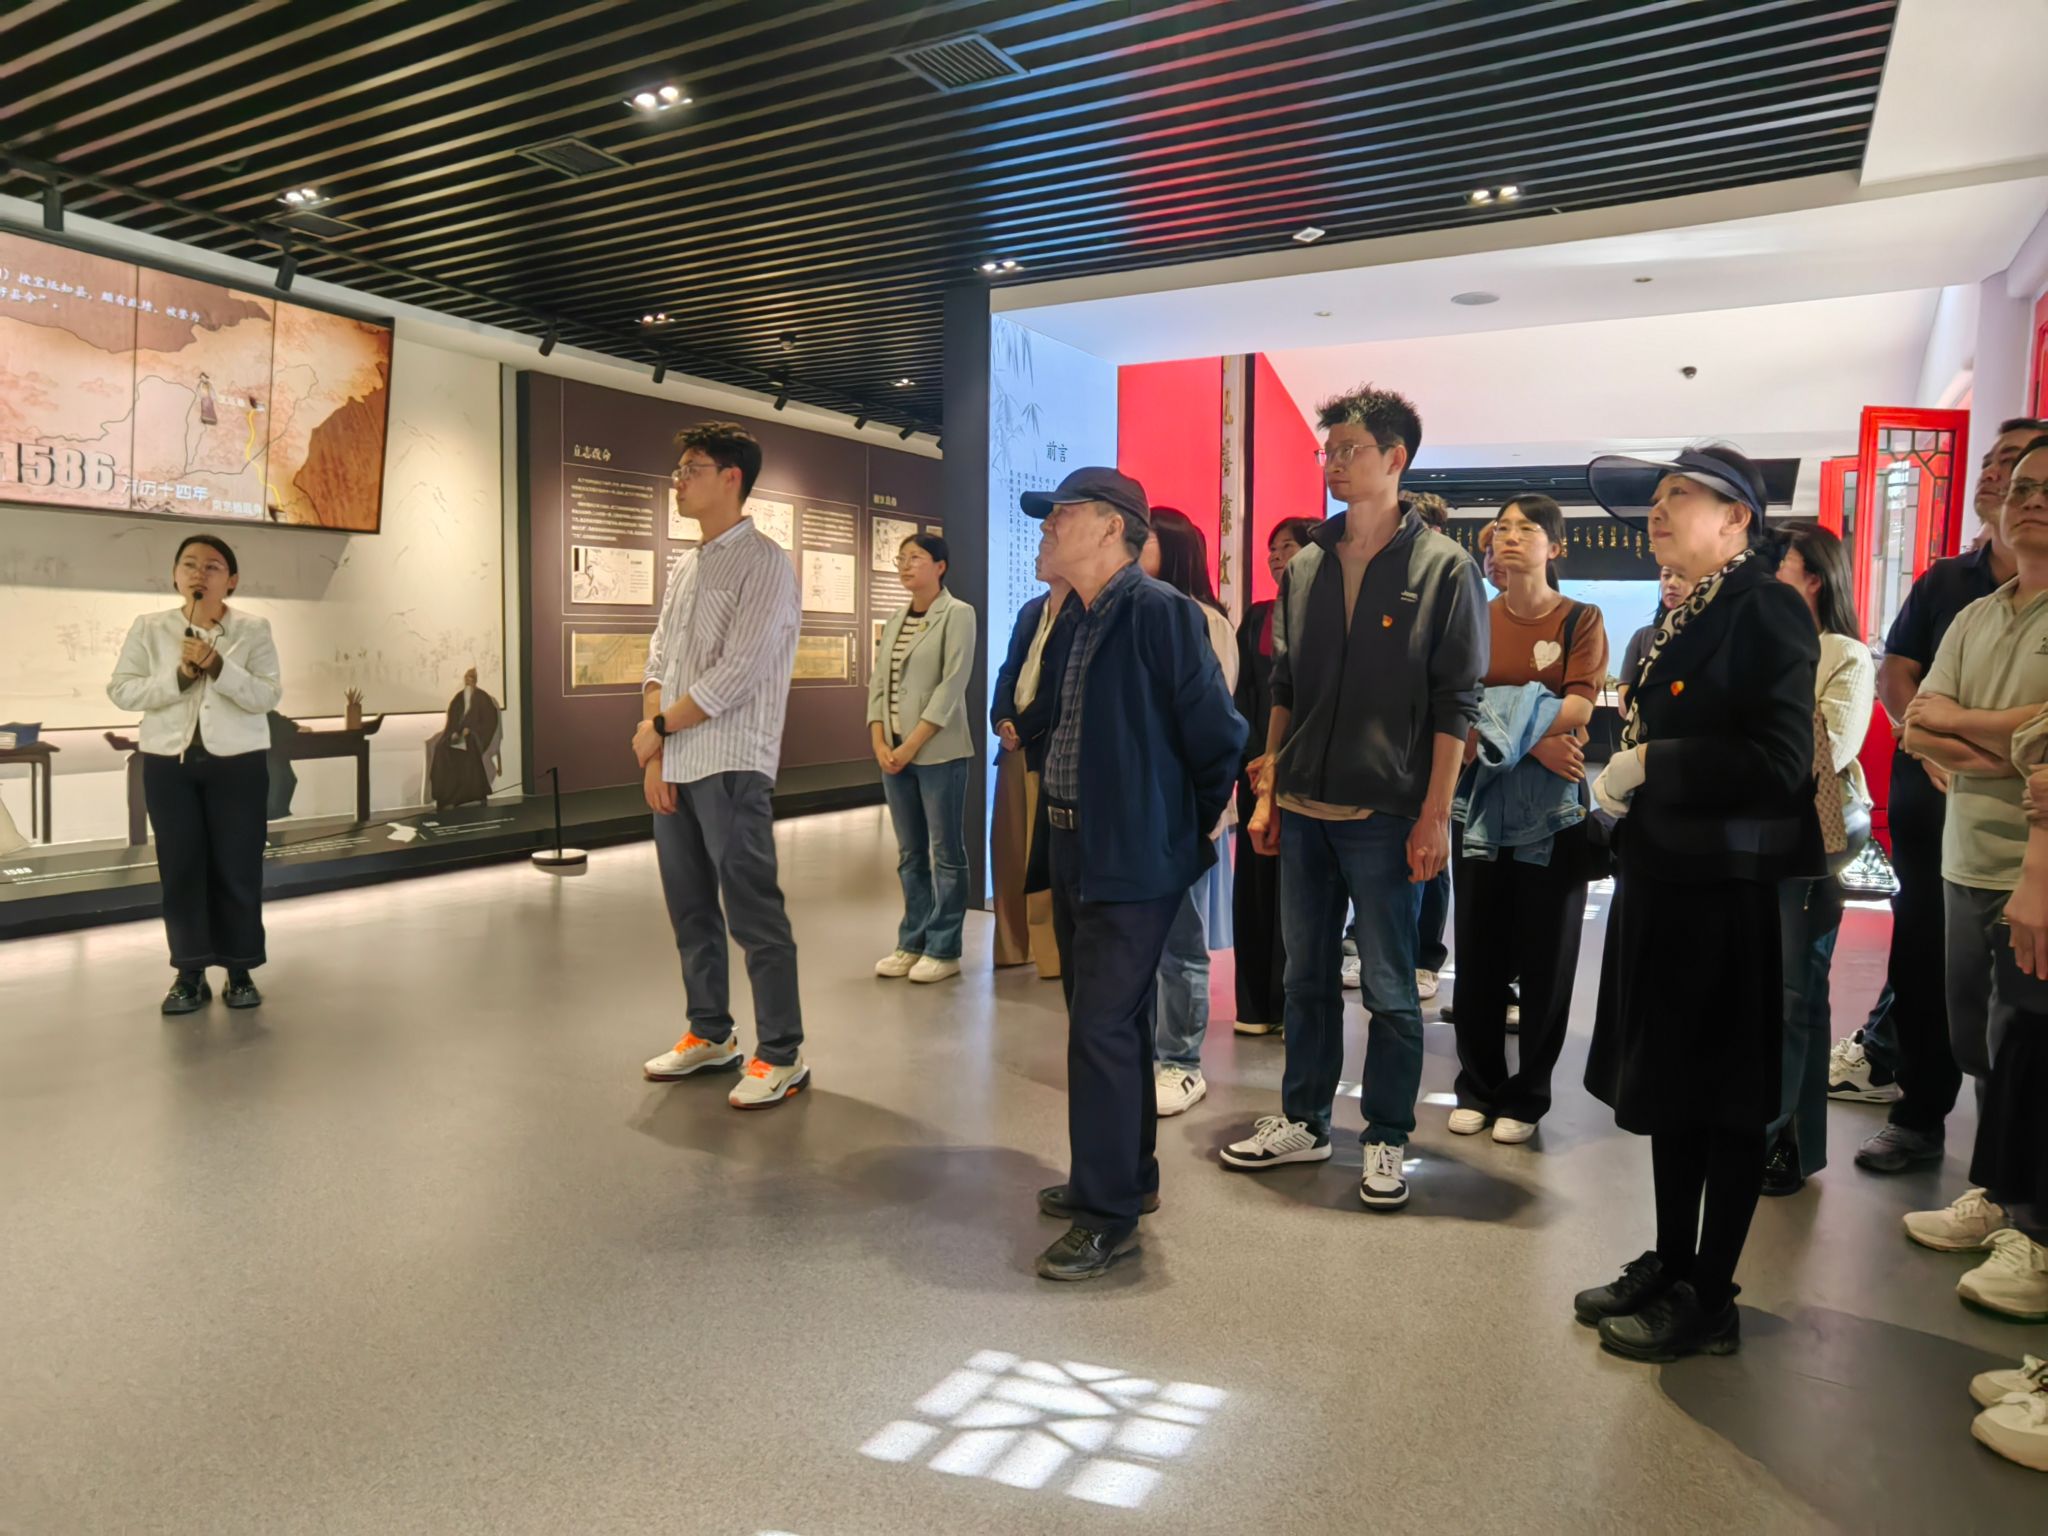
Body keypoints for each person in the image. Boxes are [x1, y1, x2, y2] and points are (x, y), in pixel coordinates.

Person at [1573, 443, 1822, 1362]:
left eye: (1680, 494)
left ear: (1737, 519)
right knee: (1672, 1089)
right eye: (1656, 498)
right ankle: (1673, 1260)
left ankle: (1712, 1295)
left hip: (1724, 893)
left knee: (1721, 1100)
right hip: (1663, 881)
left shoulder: (1764, 607)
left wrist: (1650, 764)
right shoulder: (1685, 613)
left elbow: (1781, 763)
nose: (1658, 510)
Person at [1223, 384, 1487, 1212]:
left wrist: (1434, 814)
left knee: (1389, 987)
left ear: (1395, 458)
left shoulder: (1443, 568)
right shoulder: (1306, 564)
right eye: (1328, 450)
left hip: (1386, 811)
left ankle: (1387, 1134)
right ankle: (1304, 1119)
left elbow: (1456, 704)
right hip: (1302, 806)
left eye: (1350, 449)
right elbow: (1284, 687)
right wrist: (1268, 791)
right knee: (1303, 977)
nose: (1334, 462)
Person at [1023, 468, 1244, 1280]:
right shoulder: (1076, 618)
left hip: (1132, 854)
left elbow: (1219, 736)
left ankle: (1106, 1215)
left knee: (1102, 1030)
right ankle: (1124, 1178)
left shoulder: (1161, 614)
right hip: (1076, 845)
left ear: (1113, 526)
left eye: (1062, 514)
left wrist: (1176, 831)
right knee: (1109, 1022)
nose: (1047, 527)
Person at [1855, 418, 2046, 1174]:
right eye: (2006, 472)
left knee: (2024, 1016)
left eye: (2024, 472)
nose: (2006, 483)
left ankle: (2013, 1192)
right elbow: (1913, 698)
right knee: (1935, 978)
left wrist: (1957, 735)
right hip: (1944, 828)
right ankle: (1925, 1121)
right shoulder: (1957, 595)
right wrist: (1979, 742)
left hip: (2029, 843)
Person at [1896, 433, 2048, 1294]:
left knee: (2031, 1048)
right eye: (2021, 486)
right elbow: (1919, 722)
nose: (2030, 499)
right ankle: (1996, 1191)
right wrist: (2015, 741)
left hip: (2037, 869)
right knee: (1981, 1044)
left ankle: (2034, 1225)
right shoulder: (1973, 612)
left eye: (2047, 487)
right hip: (1966, 857)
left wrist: (1967, 729)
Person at [636, 421, 807, 1109]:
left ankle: (781, 1052)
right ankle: (711, 1032)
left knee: (753, 911)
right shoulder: (687, 566)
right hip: (677, 761)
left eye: (693, 468)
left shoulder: (765, 564)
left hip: (733, 762)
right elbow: (658, 660)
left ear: (732, 477)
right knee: (690, 909)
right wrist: (657, 753)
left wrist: (656, 729)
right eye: (679, 469)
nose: (678, 480)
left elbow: (737, 674)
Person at [1446, 494, 1607, 1146]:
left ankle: (1528, 1094)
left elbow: (1581, 707)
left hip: (1553, 811)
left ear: (1555, 547)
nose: (1510, 536)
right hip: (1478, 804)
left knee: (1548, 958)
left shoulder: (1580, 619)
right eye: (1502, 527)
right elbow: (1454, 705)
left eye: (1527, 528)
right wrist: (1535, 739)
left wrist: (1501, 720)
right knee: (1478, 951)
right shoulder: (1473, 619)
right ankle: (1477, 1085)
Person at [108, 534, 283, 1014]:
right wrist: (180, 677)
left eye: (211, 566)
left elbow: (268, 696)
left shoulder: (253, 629)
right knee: (181, 868)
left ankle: (240, 969)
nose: (198, 573)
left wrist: (220, 667)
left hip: (239, 765)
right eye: (188, 564)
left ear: (232, 580)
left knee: (237, 866)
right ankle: (189, 973)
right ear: (175, 576)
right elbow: (122, 691)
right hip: (169, 764)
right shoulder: (150, 628)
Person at [1761, 523, 1873, 1196]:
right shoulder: (1762, 640)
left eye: (1782, 565)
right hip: (1753, 834)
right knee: (1764, 991)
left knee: (1795, 994)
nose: (1769, 575)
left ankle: (1788, 1141)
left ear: (1814, 578)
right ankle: (1760, 1125)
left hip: (1809, 840)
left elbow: (1827, 750)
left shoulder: (1844, 654)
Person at [1139, 506, 1242, 1114]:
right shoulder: (1133, 610)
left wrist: (1202, 810)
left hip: (1184, 807)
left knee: (1181, 941)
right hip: (1141, 807)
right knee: (1145, 941)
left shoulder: (1206, 621)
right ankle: (1152, 1053)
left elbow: (1214, 725)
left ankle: (1180, 1061)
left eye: (1147, 539)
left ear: (1174, 549)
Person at [869, 533, 977, 985]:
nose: (905, 565)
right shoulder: (895, 619)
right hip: (893, 753)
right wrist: (879, 740)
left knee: (945, 853)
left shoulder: (958, 614)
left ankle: (944, 947)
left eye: (915, 558)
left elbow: (951, 688)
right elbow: (879, 684)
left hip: (938, 754)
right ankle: (911, 941)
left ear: (940, 566)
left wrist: (909, 746)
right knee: (910, 854)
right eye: (901, 558)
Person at [1232, 516, 1319, 1036]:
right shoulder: (1257, 617)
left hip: (1306, 775)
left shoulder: (1328, 615)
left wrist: (1285, 759)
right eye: (1273, 548)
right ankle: (1254, 1006)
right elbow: (1243, 695)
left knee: (1301, 894)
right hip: (1256, 774)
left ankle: (1292, 1007)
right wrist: (1254, 758)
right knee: (1255, 889)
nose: (1276, 556)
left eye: (1288, 546)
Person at [991, 546, 1080, 978]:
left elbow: (1065, 687)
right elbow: (1008, 671)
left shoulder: (1082, 612)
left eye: (1048, 548)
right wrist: (1002, 718)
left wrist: (1024, 728)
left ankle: (1051, 955)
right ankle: (1012, 946)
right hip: (1013, 744)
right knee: (1008, 849)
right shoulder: (1031, 610)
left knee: (1041, 853)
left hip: (1048, 748)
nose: (1038, 556)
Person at [1618, 566, 1696, 709]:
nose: (1671, 584)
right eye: (1666, 576)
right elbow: (1624, 702)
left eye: (1681, 576)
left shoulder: (1708, 634)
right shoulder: (1642, 636)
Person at [428, 666, 501, 810]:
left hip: (474, 736)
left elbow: (489, 722)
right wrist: (454, 732)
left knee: (466, 752)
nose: (469, 681)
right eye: (467, 679)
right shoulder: (458, 698)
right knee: (441, 748)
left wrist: (472, 731)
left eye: (471, 679)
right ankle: (445, 795)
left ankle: (469, 795)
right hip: (456, 734)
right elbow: (452, 718)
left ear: (475, 680)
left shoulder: (483, 698)